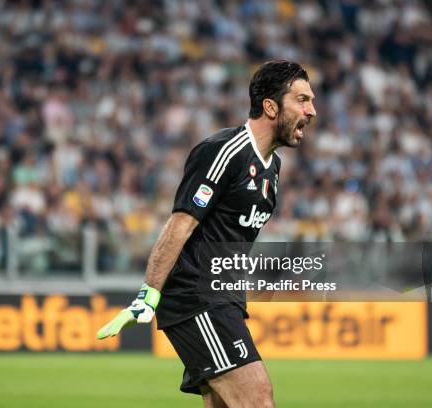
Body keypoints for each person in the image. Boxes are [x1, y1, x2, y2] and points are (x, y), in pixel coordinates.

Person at [97, 60, 317, 408]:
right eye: (302, 100)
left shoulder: (272, 167)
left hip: (223, 297)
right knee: (258, 401)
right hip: (196, 296)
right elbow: (180, 224)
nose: (312, 111)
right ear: (271, 107)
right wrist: (148, 293)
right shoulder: (223, 151)